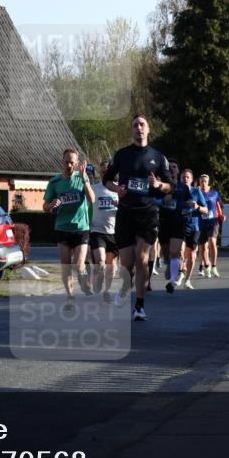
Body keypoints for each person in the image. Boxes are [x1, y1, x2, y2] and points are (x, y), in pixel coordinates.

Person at [103, 115, 173, 321]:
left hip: (147, 213)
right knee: (126, 263)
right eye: (135, 125)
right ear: (131, 130)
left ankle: (140, 306)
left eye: (142, 125)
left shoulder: (158, 157)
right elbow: (107, 179)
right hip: (125, 212)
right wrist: (117, 189)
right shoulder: (121, 155)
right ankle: (126, 284)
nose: (139, 128)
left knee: (142, 259)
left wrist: (159, 185)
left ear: (148, 129)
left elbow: (170, 185)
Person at [43, 148, 96, 309]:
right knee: (65, 266)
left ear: (77, 163)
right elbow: (45, 206)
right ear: (62, 161)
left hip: (81, 227)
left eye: (72, 162)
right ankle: (70, 297)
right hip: (62, 228)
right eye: (67, 161)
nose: (69, 165)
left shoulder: (82, 178)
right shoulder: (55, 182)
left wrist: (84, 179)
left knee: (78, 265)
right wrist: (51, 205)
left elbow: (92, 199)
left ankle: (84, 279)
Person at [89, 160, 119, 304]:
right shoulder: (94, 188)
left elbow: (128, 208)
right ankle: (97, 277)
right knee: (100, 261)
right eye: (102, 171)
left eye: (107, 170)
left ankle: (107, 291)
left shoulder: (120, 189)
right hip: (97, 230)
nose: (104, 173)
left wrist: (120, 205)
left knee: (111, 267)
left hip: (114, 232)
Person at [179, 169, 209, 289]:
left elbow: (206, 210)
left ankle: (187, 280)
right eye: (183, 177)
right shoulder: (177, 191)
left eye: (187, 177)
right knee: (180, 251)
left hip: (194, 227)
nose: (185, 179)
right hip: (180, 225)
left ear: (191, 180)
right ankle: (181, 271)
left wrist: (197, 207)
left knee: (191, 255)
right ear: (180, 179)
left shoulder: (196, 192)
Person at [197, 173, 223, 278]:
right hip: (200, 222)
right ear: (199, 183)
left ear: (208, 183)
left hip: (213, 221)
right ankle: (206, 266)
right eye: (202, 181)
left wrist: (221, 215)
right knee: (203, 247)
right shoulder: (196, 193)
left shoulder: (214, 193)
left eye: (205, 181)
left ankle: (214, 266)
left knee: (212, 242)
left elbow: (218, 205)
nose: (203, 183)